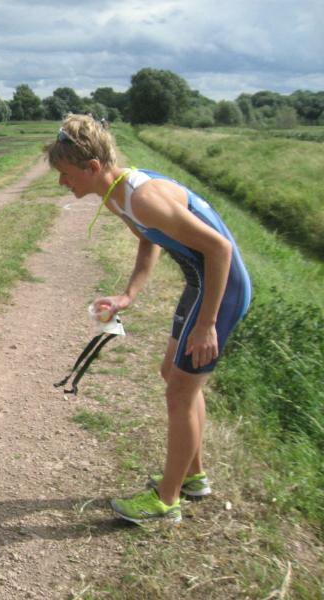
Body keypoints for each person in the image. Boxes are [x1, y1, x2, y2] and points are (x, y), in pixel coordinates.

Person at [45, 115, 251, 523]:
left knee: (180, 392)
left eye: (66, 174)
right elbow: (147, 240)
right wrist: (128, 295)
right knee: (173, 376)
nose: (61, 182)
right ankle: (192, 477)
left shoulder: (143, 198)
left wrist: (207, 323)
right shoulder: (117, 195)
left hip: (221, 287)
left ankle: (166, 501)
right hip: (200, 282)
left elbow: (220, 250)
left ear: (92, 167)